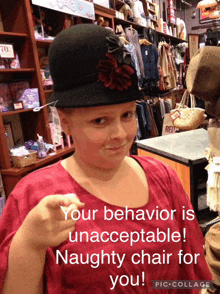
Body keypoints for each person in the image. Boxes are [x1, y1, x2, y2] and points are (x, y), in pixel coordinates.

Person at [0, 24, 212, 294]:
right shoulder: (33, 196)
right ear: (64, 122)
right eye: (100, 120)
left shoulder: (163, 177)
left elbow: (188, 274)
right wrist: (28, 243)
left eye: (126, 115)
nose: (121, 135)